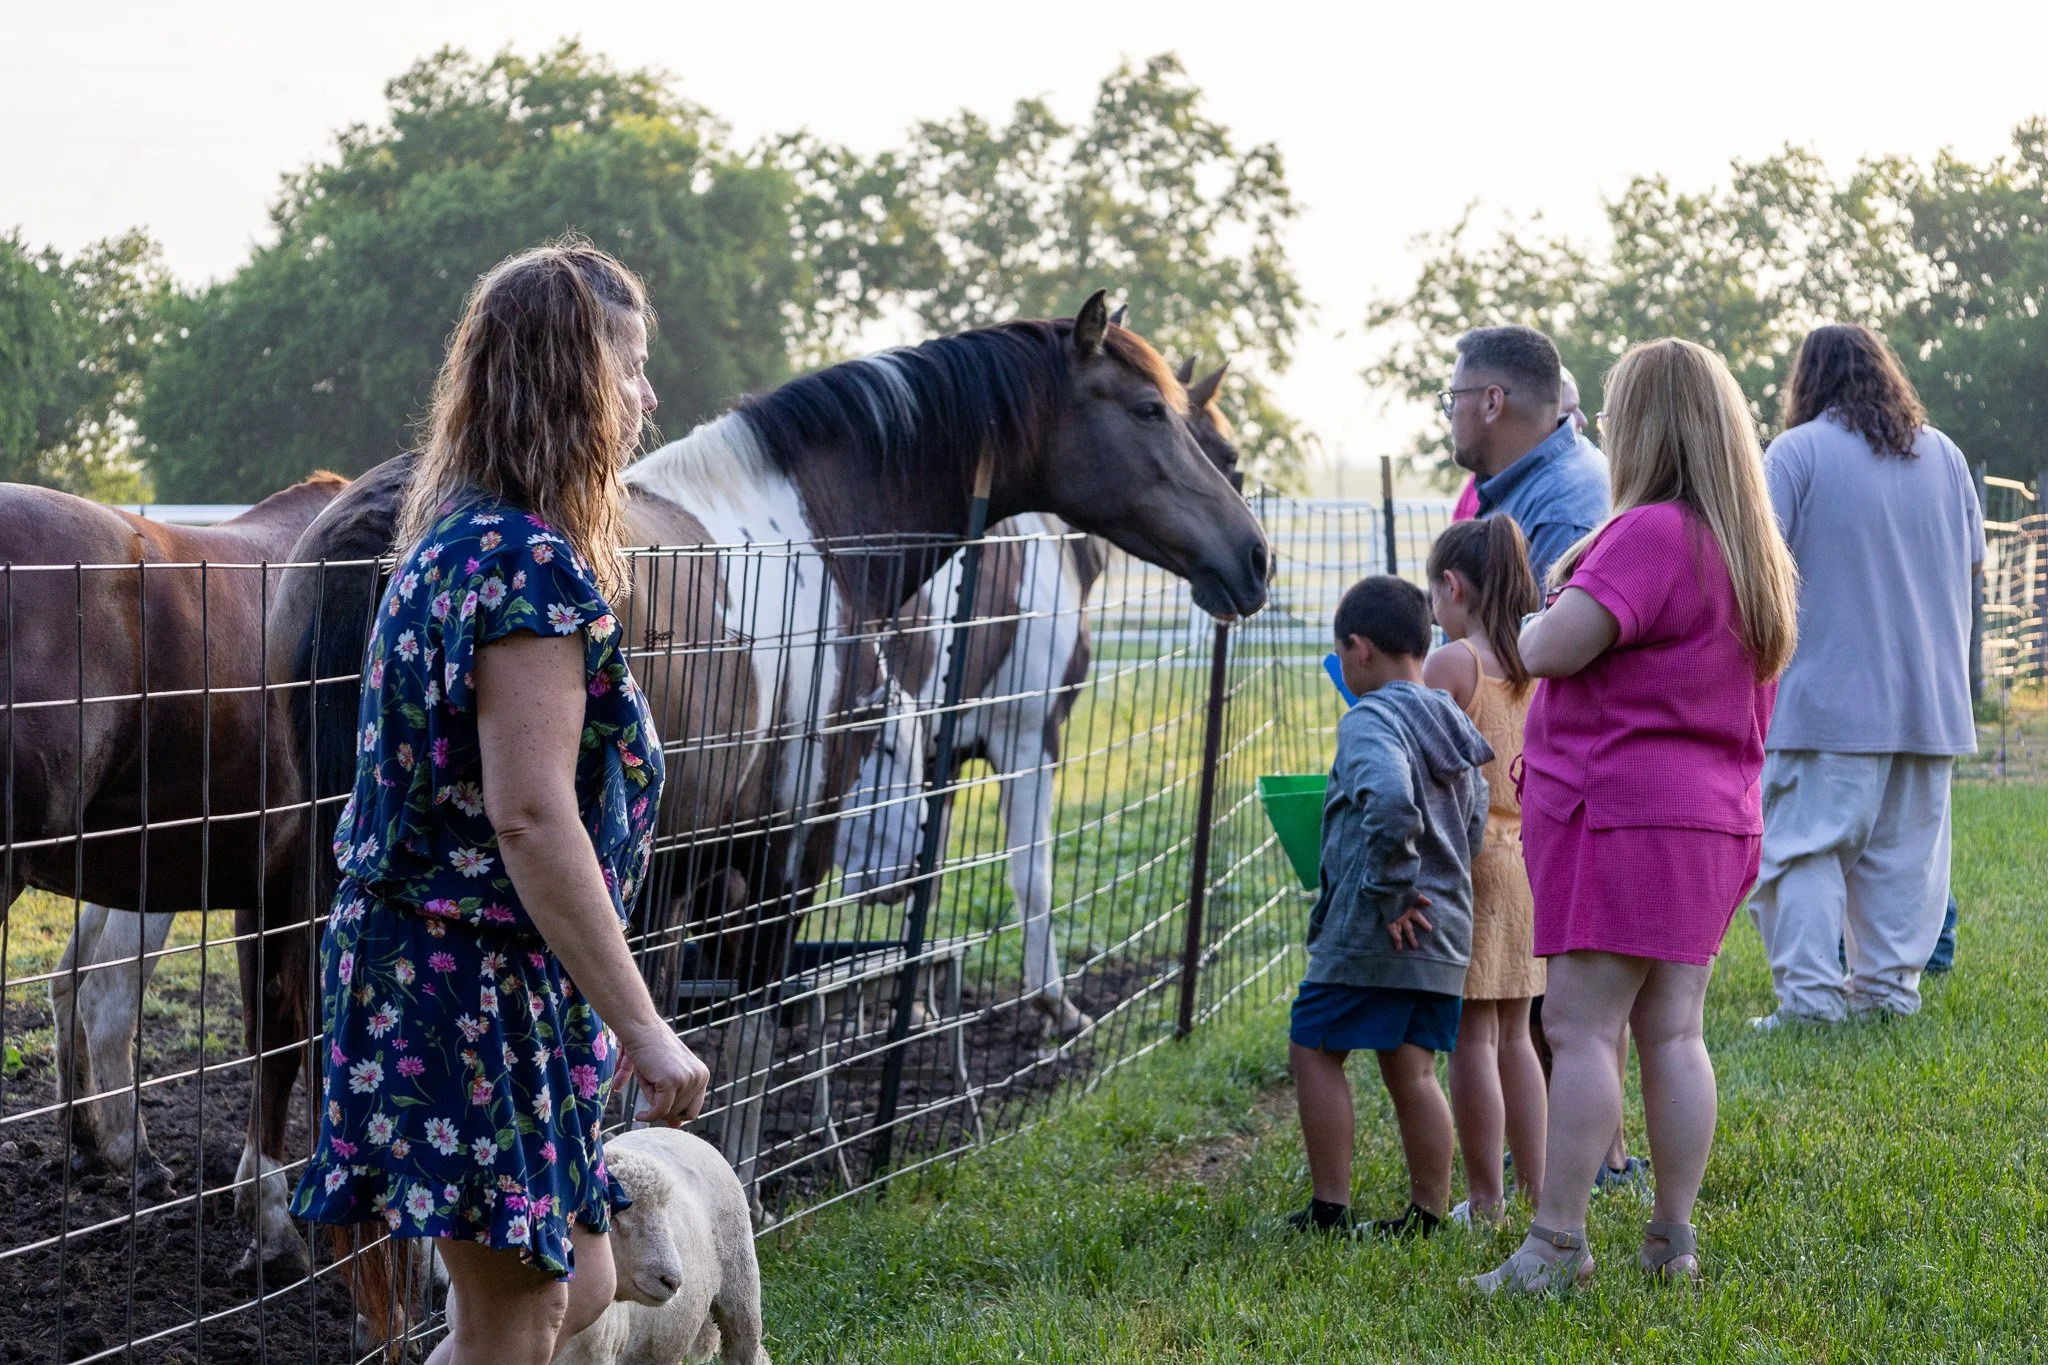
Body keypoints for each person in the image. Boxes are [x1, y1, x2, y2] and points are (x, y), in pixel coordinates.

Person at [291, 242, 712, 1365]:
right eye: (630, 367)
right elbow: (531, 817)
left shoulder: (456, 546)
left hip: (472, 980)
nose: (647, 395)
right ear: (571, 382)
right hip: (464, 989)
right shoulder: (521, 570)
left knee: (579, 1285)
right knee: (520, 1313)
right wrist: (643, 1024)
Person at [1475, 338, 1799, 1293]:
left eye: (1618, 413)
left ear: (1648, 426)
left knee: (1579, 1028)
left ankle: (1556, 1245)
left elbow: (1555, 648)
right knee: (1675, 1031)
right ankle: (1672, 1241)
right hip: (1711, 819)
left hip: (1621, 814)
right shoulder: (1750, 550)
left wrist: (1536, 616)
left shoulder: (1650, 533)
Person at [1748, 325, 1985, 1027]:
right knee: (1902, 862)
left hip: (1825, 700)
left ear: (1808, 380)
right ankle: (1885, 994)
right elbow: (1972, 563)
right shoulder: (1943, 454)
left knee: (1805, 852)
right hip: (1930, 702)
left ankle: (1812, 1002)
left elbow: (1757, 568)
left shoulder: (1796, 453)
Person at [1287, 576, 1493, 1239]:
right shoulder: (1452, 716)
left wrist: (1398, 888)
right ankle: (1428, 1214)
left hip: (1376, 929)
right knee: (1413, 1065)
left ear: (1360, 647)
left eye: (1340, 653)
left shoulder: (1370, 719)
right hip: (1445, 929)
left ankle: (1329, 1209)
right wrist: (1443, 878)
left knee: (1313, 1044)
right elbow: (1477, 815)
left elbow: (1389, 795)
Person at [1422, 518, 1547, 1227]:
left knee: (1473, 1035)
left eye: (1434, 590)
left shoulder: (1453, 664)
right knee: (1517, 1035)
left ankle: (1485, 1199)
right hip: (1530, 858)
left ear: (1454, 585)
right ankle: (1535, 1186)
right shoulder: (1531, 656)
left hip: (1472, 864)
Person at [1444, 333, 1609, 584]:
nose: (1449, 413)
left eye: (1454, 398)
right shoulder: (1548, 482)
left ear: (1492, 403)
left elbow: (1526, 624)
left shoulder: (1560, 516)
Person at [1452, 365, 1592, 523]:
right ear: (1538, 415)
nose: (1582, 420)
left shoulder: (1567, 494)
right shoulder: (1477, 489)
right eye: (1568, 411)